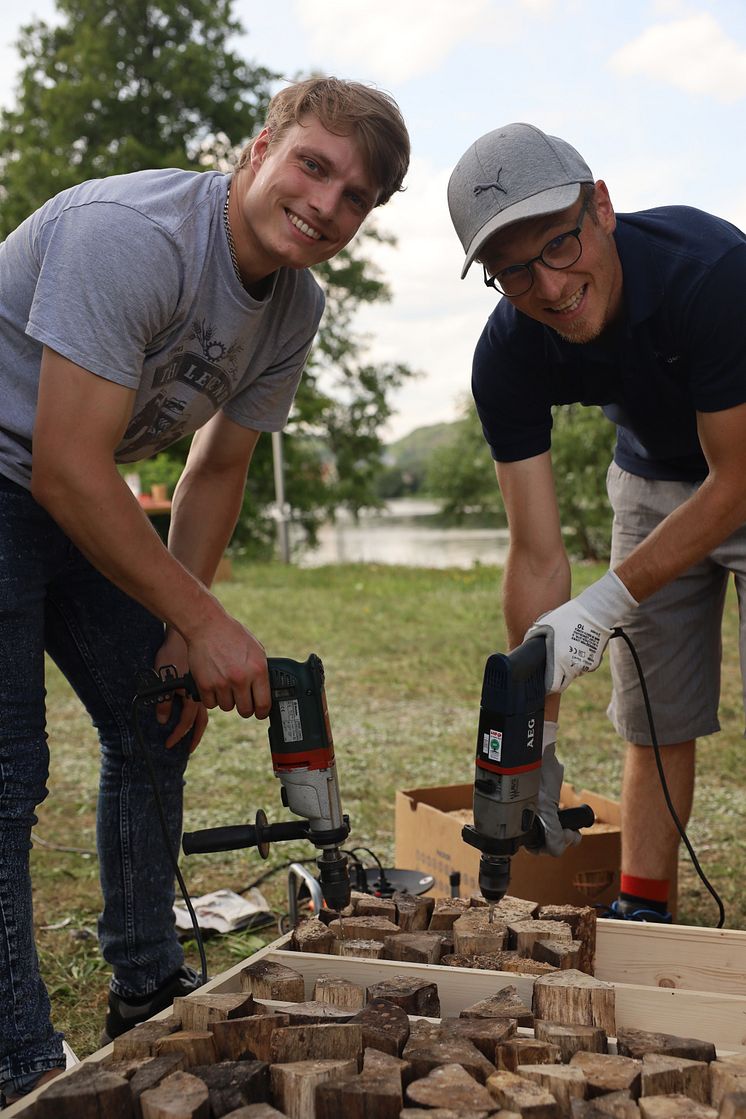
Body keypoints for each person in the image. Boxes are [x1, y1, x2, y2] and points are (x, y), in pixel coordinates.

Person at [0, 76, 409, 1104]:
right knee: (7, 770)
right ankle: (15, 1049)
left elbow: (215, 468)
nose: (324, 203)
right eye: (311, 165)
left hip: (67, 486)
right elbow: (62, 465)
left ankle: (144, 985)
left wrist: (187, 633)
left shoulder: (294, 307)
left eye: (354, 196)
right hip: (21, 473)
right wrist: (200, 615)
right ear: (257, 147)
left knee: (159, 720)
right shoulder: (131, 239)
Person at [447, 122, 746, 925]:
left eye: (557, 244)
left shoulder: (710, 272)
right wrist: (532, 735)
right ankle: (644, 905)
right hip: (651, 472)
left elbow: (735, 481)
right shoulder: (508, 354)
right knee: (653, 714)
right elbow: (537, 552)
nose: (547, 285)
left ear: (602, 207)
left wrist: (606, 601)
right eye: (512, 271)